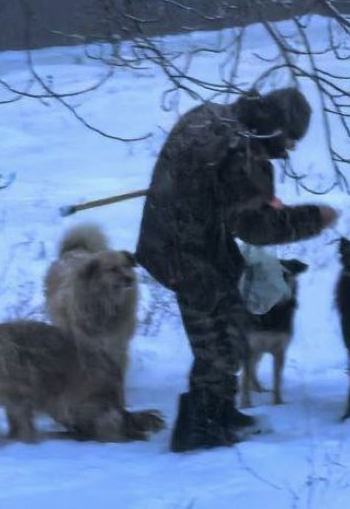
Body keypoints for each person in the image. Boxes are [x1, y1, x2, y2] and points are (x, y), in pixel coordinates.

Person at [136, 88, 337, 452]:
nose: (289, 150)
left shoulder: (213, 115)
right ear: (277, 129)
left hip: (182, 235)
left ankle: (221, 411)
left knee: (229, 318)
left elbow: (216, 186)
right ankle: (199, 427)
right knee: (216, 337)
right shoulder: (246, 153)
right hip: (182, 250)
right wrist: (312, 218)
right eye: (290, 140)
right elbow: (255, 228)